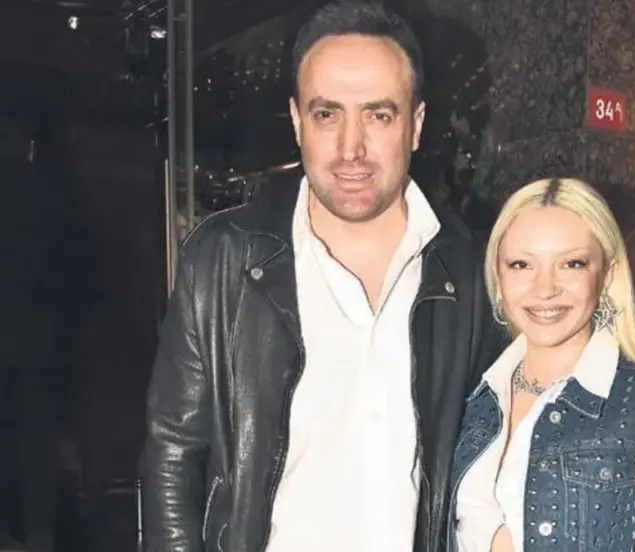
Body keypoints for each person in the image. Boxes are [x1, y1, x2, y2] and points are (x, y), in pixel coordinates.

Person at [139, 2, 504, 552]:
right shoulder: (222, 258)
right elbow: (173, 455)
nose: (350, 148)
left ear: (415, 125)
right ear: (297, 121)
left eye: (378, 116)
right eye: (327, 114)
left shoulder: (471, 272)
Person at [447, 178, 635, 552]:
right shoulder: (471, 402)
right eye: (522, 264)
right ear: (498, 275)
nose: (545, 289)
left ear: (606, 276)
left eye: (571, 264)